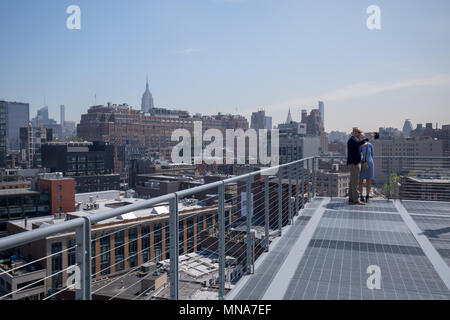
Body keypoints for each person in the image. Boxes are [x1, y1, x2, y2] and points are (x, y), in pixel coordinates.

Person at [347, 128, 374, 205]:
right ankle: (356, 200)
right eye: (358, 132)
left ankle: (351, 198)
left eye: (360, 132)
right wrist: (368, 138)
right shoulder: (353, 139)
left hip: (354, 163)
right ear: (354, 132)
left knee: (352, 182)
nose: (360, 133)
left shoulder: (354, 139)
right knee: (355, 182)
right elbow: (359, 143)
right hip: (354, 164)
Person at [358, 134, 374, 202]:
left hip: (370, 164)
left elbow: (372, 154)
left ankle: (367, 196)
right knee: (360, 181)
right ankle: (361, 195)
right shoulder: (359, 145)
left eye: (363, 137)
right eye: (361, 137)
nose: (362, 138)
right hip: (362, 164)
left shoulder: (370, 145)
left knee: (369, 181)